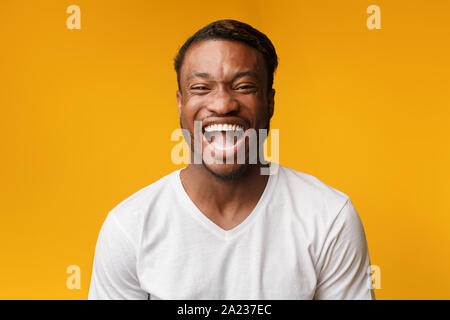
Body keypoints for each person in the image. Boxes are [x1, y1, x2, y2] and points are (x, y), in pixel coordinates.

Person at [88, 19, 375, 300]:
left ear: (270, 101)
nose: (223, 104)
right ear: (180, 103)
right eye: (201, 87)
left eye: (244, 86)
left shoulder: (328, 218)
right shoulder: (129, 228)